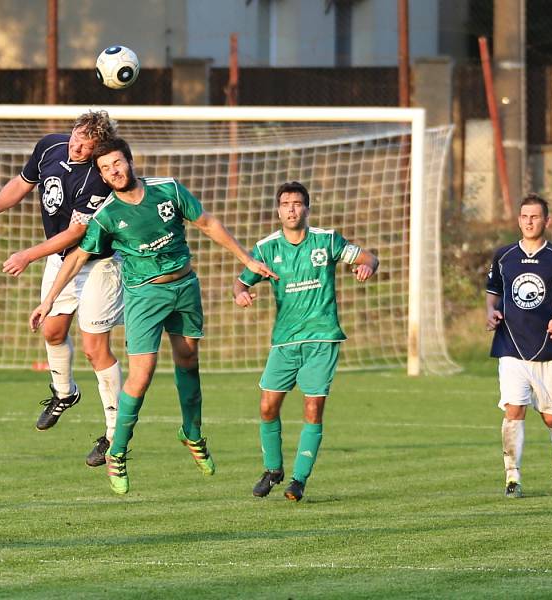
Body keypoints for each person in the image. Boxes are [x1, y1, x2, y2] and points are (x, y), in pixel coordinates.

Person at [30, 137, 277, 495]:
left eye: (117, 163)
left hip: (185, 287)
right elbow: (78, 257)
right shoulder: (108, 214)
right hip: (145, 296)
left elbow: (208, 223)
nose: (113, 171)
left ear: (129, 161)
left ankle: (191, 433)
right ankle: (117, 452)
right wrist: (49, 299)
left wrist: (247, 260)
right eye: (105, 169)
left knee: (189, 361)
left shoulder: (169, 190)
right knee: (141, 376)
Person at [0, 111, 124, 467]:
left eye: (86, 143)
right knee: (52, 330)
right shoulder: (50, 144)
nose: (76, 144)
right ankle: (64, 394)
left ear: (99, 149)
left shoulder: (97, 177)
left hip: (98, 263)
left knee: (95, 349)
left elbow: (76, 233)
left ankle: (115, 434)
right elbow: (22, 184)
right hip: (60, 258)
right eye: (77, 135)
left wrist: (28, 255)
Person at [233, 181, 379, 502]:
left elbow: (368, 257)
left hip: (322, 339)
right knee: (267, 407)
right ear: (278, 209)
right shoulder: (266, 248)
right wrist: (242, 293)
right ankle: (273, 470)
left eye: (297, 204)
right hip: (284, 342)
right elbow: (241, 281)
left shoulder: (326, 241)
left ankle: (298, 480)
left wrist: (366, 266)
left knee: (312, 408)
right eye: (285, 204)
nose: (291, 209)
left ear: (307, 209)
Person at [486, 193, 552, 499]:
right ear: (518, 220)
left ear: (547, 221)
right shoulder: (503, 257)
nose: (529, 222)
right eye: (525, 216)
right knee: (514, 410)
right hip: (510, 344)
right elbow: (493, 293)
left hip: (547, 348)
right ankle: (512, 477)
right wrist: (491, 311)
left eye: (535, 216)